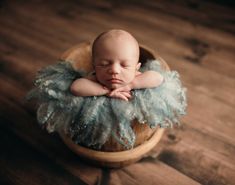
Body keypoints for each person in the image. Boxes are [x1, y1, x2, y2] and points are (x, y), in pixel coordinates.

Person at [70, 29, 164, 101]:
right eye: (104, 64)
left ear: (136, 68)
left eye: (124, 65)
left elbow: (158, 78)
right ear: (94, 66)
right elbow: (76, 87)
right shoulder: (95, 79)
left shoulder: (135, 77)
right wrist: (106, 91)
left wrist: (131, 85)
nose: (114, 70)